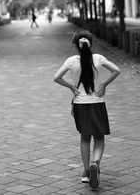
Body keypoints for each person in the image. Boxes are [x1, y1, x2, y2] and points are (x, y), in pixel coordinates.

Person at [53, 30, 120, 189]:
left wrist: (70, 86)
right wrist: (103, 85)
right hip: (97, 102)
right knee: (99, 137)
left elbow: (56, 77)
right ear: (91, 43)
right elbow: (117, 70)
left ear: (75, 45)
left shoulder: (71, 61)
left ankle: (86, 172)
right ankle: (95, 163)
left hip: (80, 104)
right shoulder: (98, 59)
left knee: (84, 138)